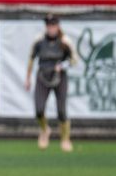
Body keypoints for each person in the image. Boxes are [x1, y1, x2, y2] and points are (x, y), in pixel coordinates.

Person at [25, 14, 77, 152]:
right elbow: (31, 59)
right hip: (43, 75)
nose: (51, 28)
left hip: (59, 77)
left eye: (53, 25)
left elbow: (74, 60)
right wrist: (28, 78)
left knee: (61, 110)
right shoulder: (39, 41)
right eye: (48, 25)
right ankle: (44, 130)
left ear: (58, 26)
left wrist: (62, 66)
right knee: (39, 109)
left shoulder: (65, 41)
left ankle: (65, 139)